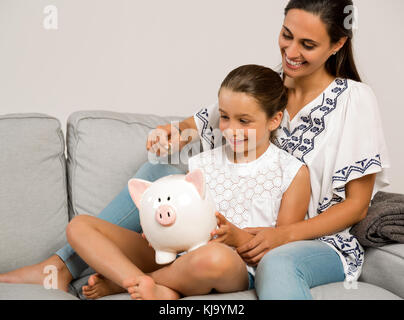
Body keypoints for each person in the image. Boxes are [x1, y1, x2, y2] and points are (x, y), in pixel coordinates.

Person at [0, 0, 390, 300]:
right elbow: (202, 122)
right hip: (226, 236)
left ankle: (139, 283)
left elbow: (355, 206)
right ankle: (64, 265)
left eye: (308, 44)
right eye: (286, 34)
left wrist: (282, 236)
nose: (291, 51)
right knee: (161, 170)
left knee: (276, 264)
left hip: (309, 239)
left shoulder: (354, 99)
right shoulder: (269, 86)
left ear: (338, 42)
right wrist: (173, 132)